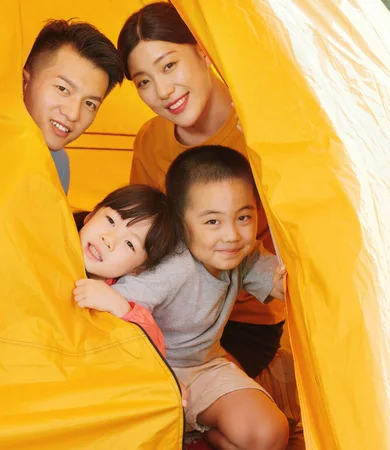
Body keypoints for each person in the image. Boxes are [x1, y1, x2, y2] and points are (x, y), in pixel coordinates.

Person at [117, 5, 304, 446]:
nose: (162, 90)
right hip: (166, 315)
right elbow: (142, 240)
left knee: (247, 420)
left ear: (201, 51)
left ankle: (253, 394)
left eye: (169, 65)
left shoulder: (262, 125)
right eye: (144, 81)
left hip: (241, 321)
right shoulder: (151, 139)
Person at [75, 146, 289, 449]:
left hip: (205, 368)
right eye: (212, 221)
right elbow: (113, 319)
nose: (231, 234)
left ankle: (197, 428)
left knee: (269, 434)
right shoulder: (169, 267)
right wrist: (161, 382)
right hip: (149, 370)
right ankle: (188, 426)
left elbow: (286, 287)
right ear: (180, 223)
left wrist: (294, 278)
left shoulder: (245, 254)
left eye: (243, 217)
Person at [73, 184, 179, 359]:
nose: (109, 239)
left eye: (130, 244)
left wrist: (119, 306)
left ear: (138, 269)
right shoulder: (53, 234)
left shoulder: (124, 296)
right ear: (92, 214)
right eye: (111, 221)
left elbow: (153, 354)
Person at [23, 20, 124, 193]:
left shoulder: (58, 163)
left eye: (90, 104)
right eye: (63, 89)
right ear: (24, 81)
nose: (73, 114)